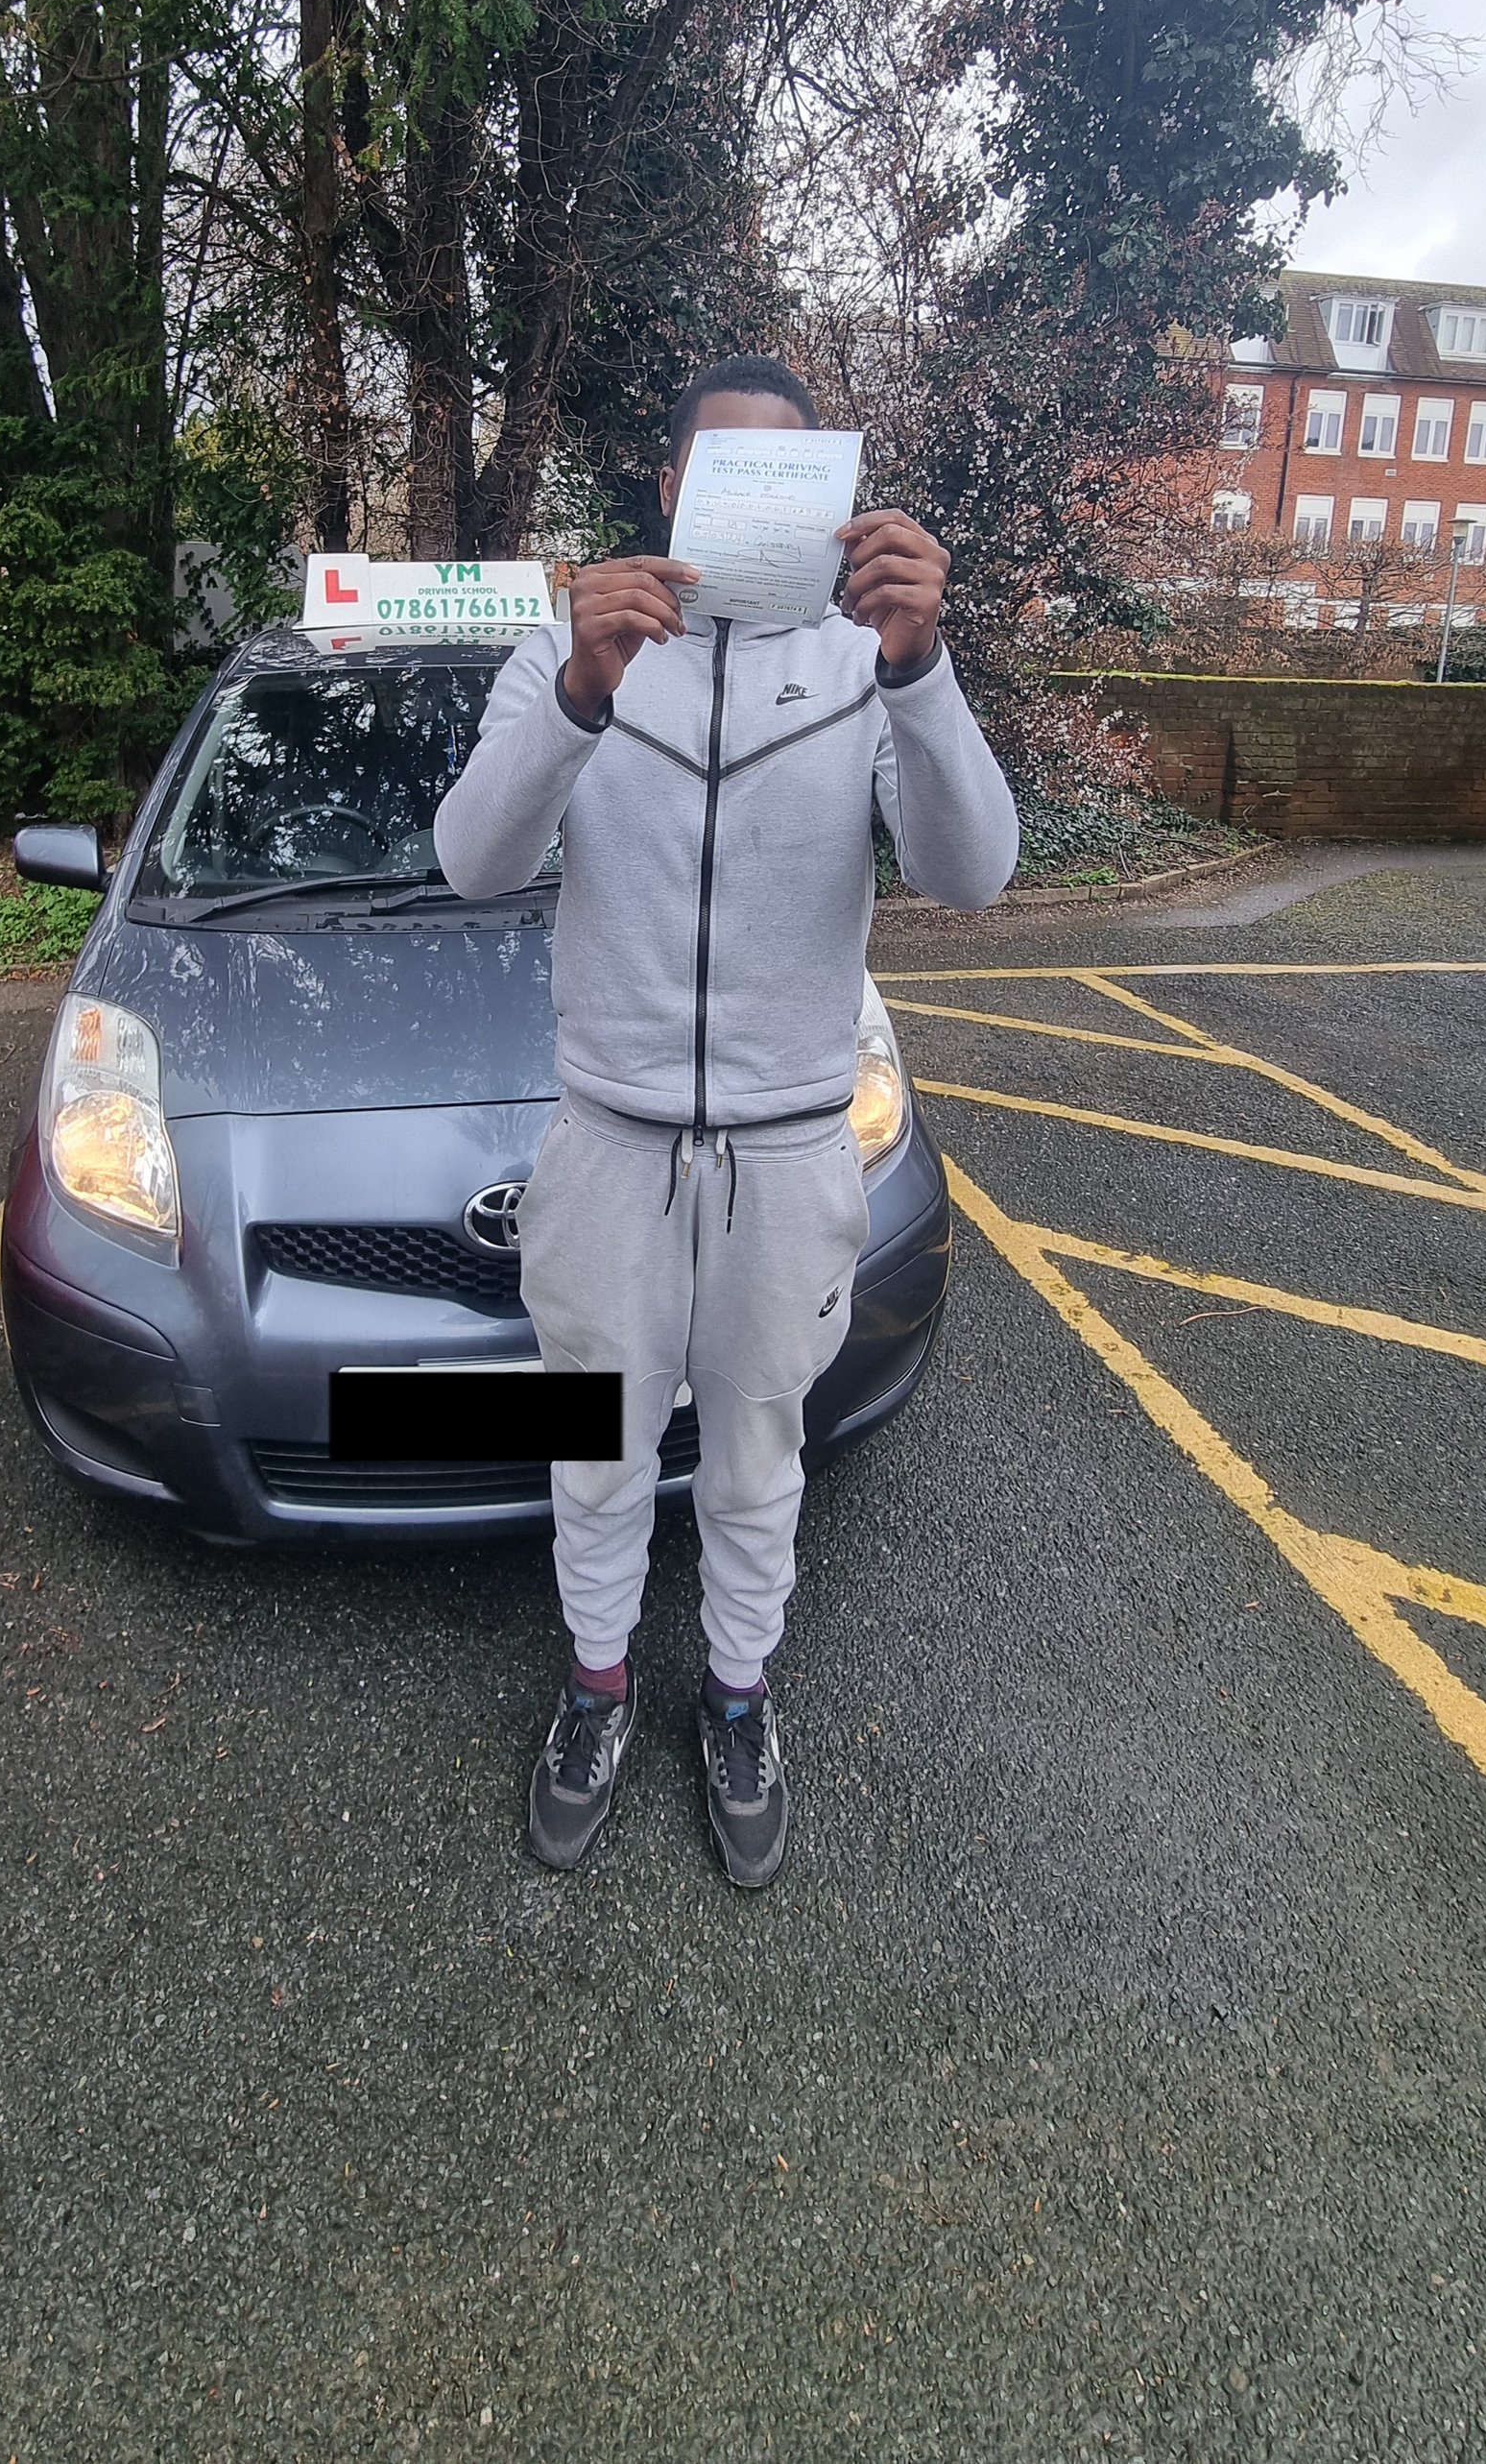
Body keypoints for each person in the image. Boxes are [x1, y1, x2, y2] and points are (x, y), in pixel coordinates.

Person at [433, 358, 1019, 1890]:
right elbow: (473, 860)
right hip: (609, 1150)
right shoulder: (576, 647)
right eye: (722, 473)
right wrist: (576, 690)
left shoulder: (858, 666)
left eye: (790, 474)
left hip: (786, 1157)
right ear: (672, 490)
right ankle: (599, 1687)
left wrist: (922, 666)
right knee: (596, 1451)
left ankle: (741, 1701)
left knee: (760, 1456)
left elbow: (972, 873)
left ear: (829, 501)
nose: (755, 501)